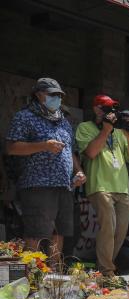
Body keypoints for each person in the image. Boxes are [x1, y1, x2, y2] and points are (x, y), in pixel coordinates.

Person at [4, 77, 85, 266]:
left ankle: (54, 277)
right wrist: (43, 146)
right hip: (38, 184)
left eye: (59, 95)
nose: (57, 98)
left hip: (64, 186)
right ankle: (33, 277)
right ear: (39, 94)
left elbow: (69, 151)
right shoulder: (25, 116)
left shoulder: (63, 120)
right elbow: (11, 147)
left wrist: (79, 172)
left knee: (59, 232)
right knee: (37, 233)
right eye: (52, 94)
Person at [75, 94, 129, 277]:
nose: (112, 112)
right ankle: (106, 270)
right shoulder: (85, 127)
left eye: (113, 109)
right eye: (107, 108)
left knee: (120, 230)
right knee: (108, 226)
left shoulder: (119, 132)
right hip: (100, 185)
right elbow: (92, 153)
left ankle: (103, 264)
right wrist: (105, 130)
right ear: (97, 109)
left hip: (122, 187)